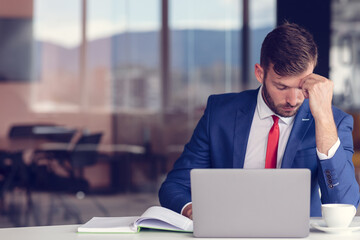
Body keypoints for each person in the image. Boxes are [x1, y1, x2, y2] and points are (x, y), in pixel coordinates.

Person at [158, 22, 360, 218]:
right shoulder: (220, 113)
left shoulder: (334, 122)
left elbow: (345, 203)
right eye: (281, 87)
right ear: (259, 73)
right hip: (231, 231)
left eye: (302, 87)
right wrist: (193, 211)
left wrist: (323, 117)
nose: (293, 100)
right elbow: (175, 186)